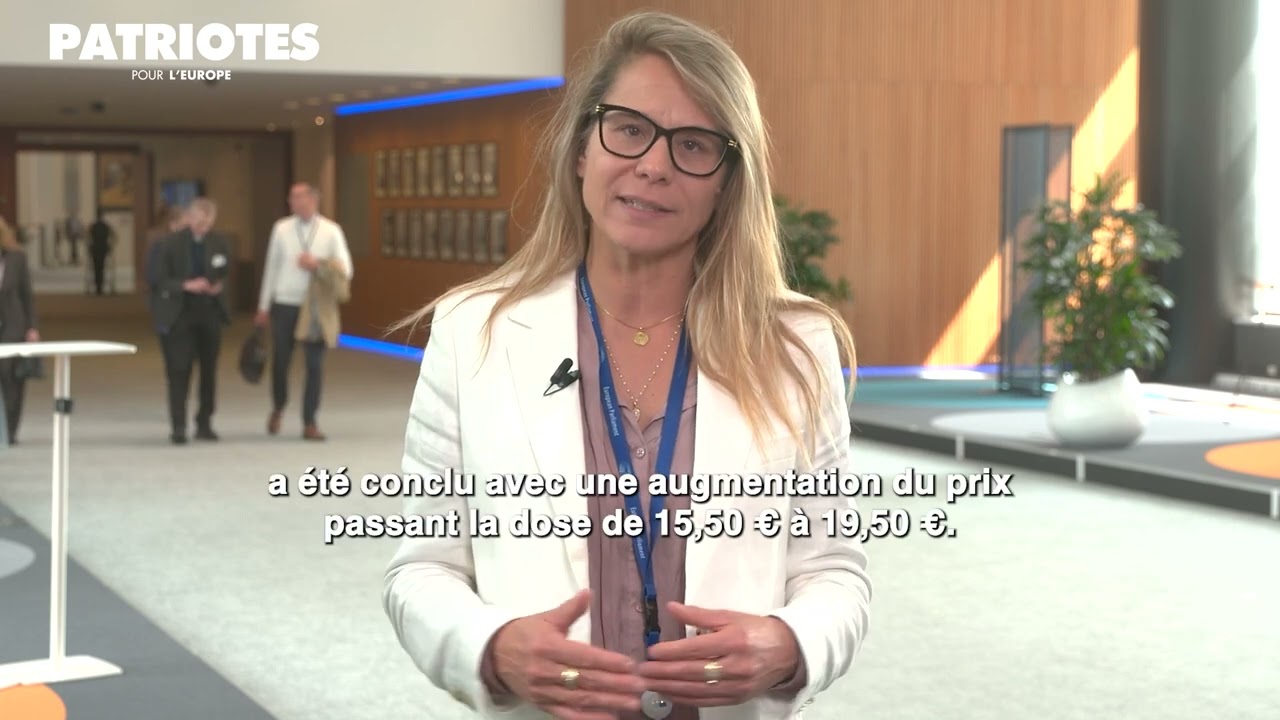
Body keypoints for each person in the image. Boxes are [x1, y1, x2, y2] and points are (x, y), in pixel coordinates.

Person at [382, 12, 870, 720]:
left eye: (693, 145)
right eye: (630, 129)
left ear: (726, 182)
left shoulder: (795, 346)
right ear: (582, 148)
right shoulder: (474, 332)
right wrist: (491, 648)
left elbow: (834, 572)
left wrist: (789, 644)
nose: (654, 165)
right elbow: (422, 567)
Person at [255, 182, 353, 441]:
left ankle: (310, 421)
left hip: (315, 306)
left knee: (314, 365)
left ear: (313, 199)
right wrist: (263, 306)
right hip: (284, 303)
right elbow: (271, 267)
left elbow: (346, 269)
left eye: (298, 197)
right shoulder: (281, 228)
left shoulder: (331, 230)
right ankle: (278, 406)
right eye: (291, 197)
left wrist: (317, 264)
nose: (293, 201)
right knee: (281, 361)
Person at [152, 197, 230, 444]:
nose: (202, 227)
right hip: (180, 313)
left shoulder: (219, 242)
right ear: (189, 217)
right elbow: (158, 280)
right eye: (199, 221)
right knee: (179, 370)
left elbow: (224, 272)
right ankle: (178, 426)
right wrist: (186, 285)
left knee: (209, 371)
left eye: (207, 223)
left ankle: (204, 423)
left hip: (208, 312)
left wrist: (218, 286)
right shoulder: (170, 244)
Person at [0, 215, 40, 446]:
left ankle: (10, 431)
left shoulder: (17, 259)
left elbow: (27, 295)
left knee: (12, 380)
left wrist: (32, 327)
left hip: (13, 326)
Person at [88, 210, 115, 295]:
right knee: (101, 267)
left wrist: (89, 247)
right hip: (103, 249)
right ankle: (100, 286)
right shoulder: (106, 226)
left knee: (96, 268)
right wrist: (110, 245)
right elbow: (113, 235)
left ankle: (98, 286)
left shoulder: (93, 226)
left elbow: (88, 237)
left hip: (95, 249)